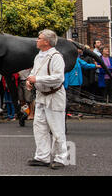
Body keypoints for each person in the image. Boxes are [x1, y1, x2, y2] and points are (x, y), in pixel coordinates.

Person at [26, 29, 68, 170]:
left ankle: (61, 158)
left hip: (54, 96)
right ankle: (42, 157)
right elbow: (34, 72)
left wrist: (37, 79)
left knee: (57, 128)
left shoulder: (56, 57)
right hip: (41, 96)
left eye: (39, 38)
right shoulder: (39, 56)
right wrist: (30, 80)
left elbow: (58, 78)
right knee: (39, 127)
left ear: (46, 42)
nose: (36, 40)